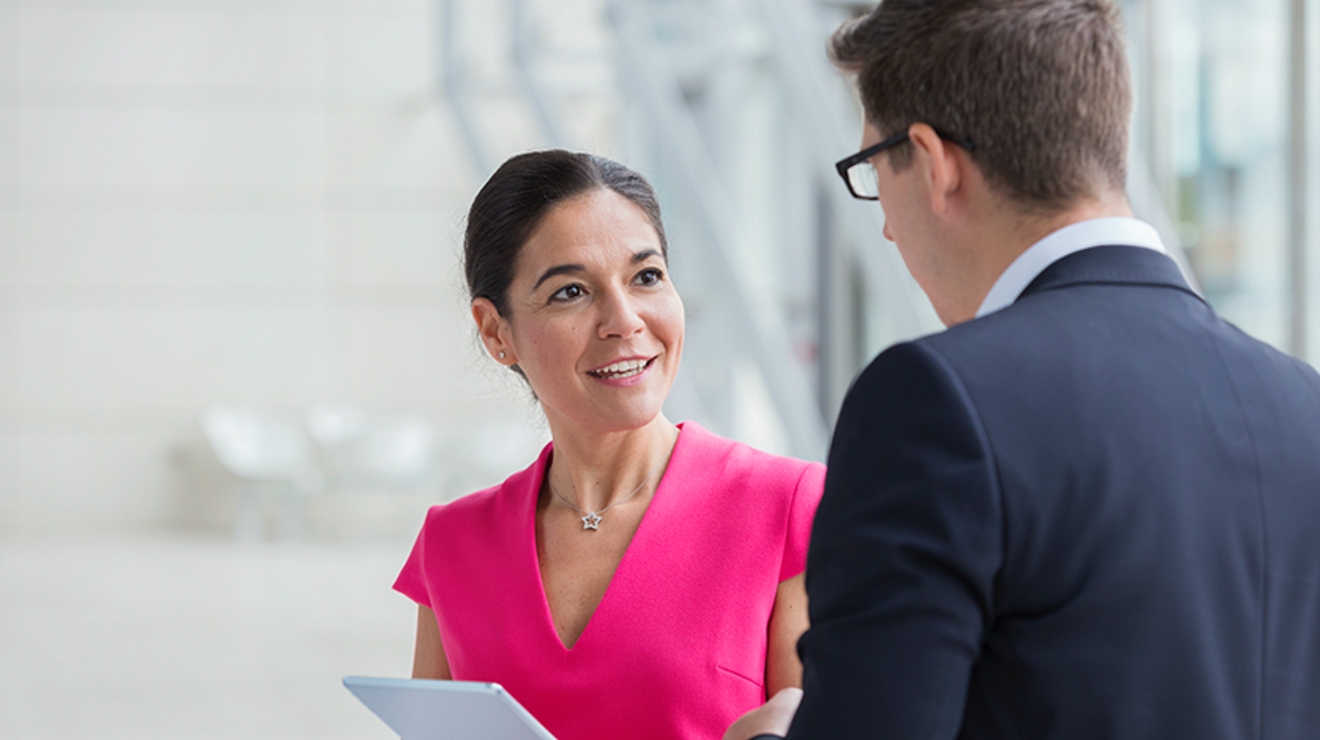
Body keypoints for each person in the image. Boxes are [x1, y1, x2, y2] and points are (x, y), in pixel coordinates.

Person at [726, 0, 1320, 738]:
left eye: (872, 170)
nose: (881, 221)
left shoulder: (936, 404)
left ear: (935, 164)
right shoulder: (1304, 406)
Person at [393, 150, 825, 740]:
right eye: (571, 292)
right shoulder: (454, 545)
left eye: (646, 277)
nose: (624, 320)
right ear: (497, 332)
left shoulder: (789, 507)